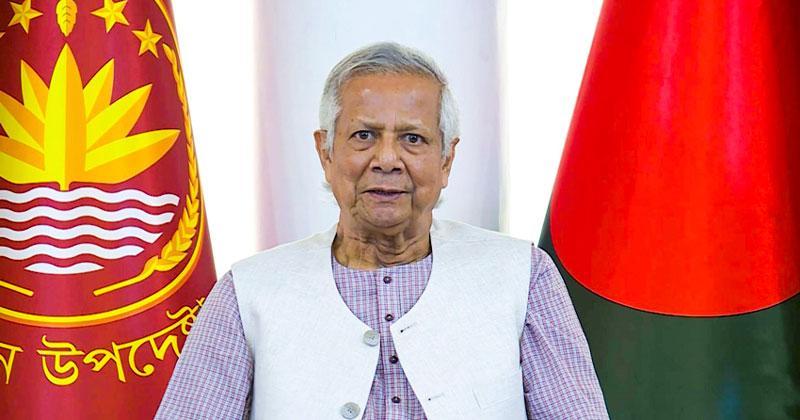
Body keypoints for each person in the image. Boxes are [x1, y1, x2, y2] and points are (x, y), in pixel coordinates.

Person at [156, 42, 608, 420]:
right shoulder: (248, 291)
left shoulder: (524, 276)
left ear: (446, 159)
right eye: (364, 136)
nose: (387, 159)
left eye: (413, 138)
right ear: (325, 151)